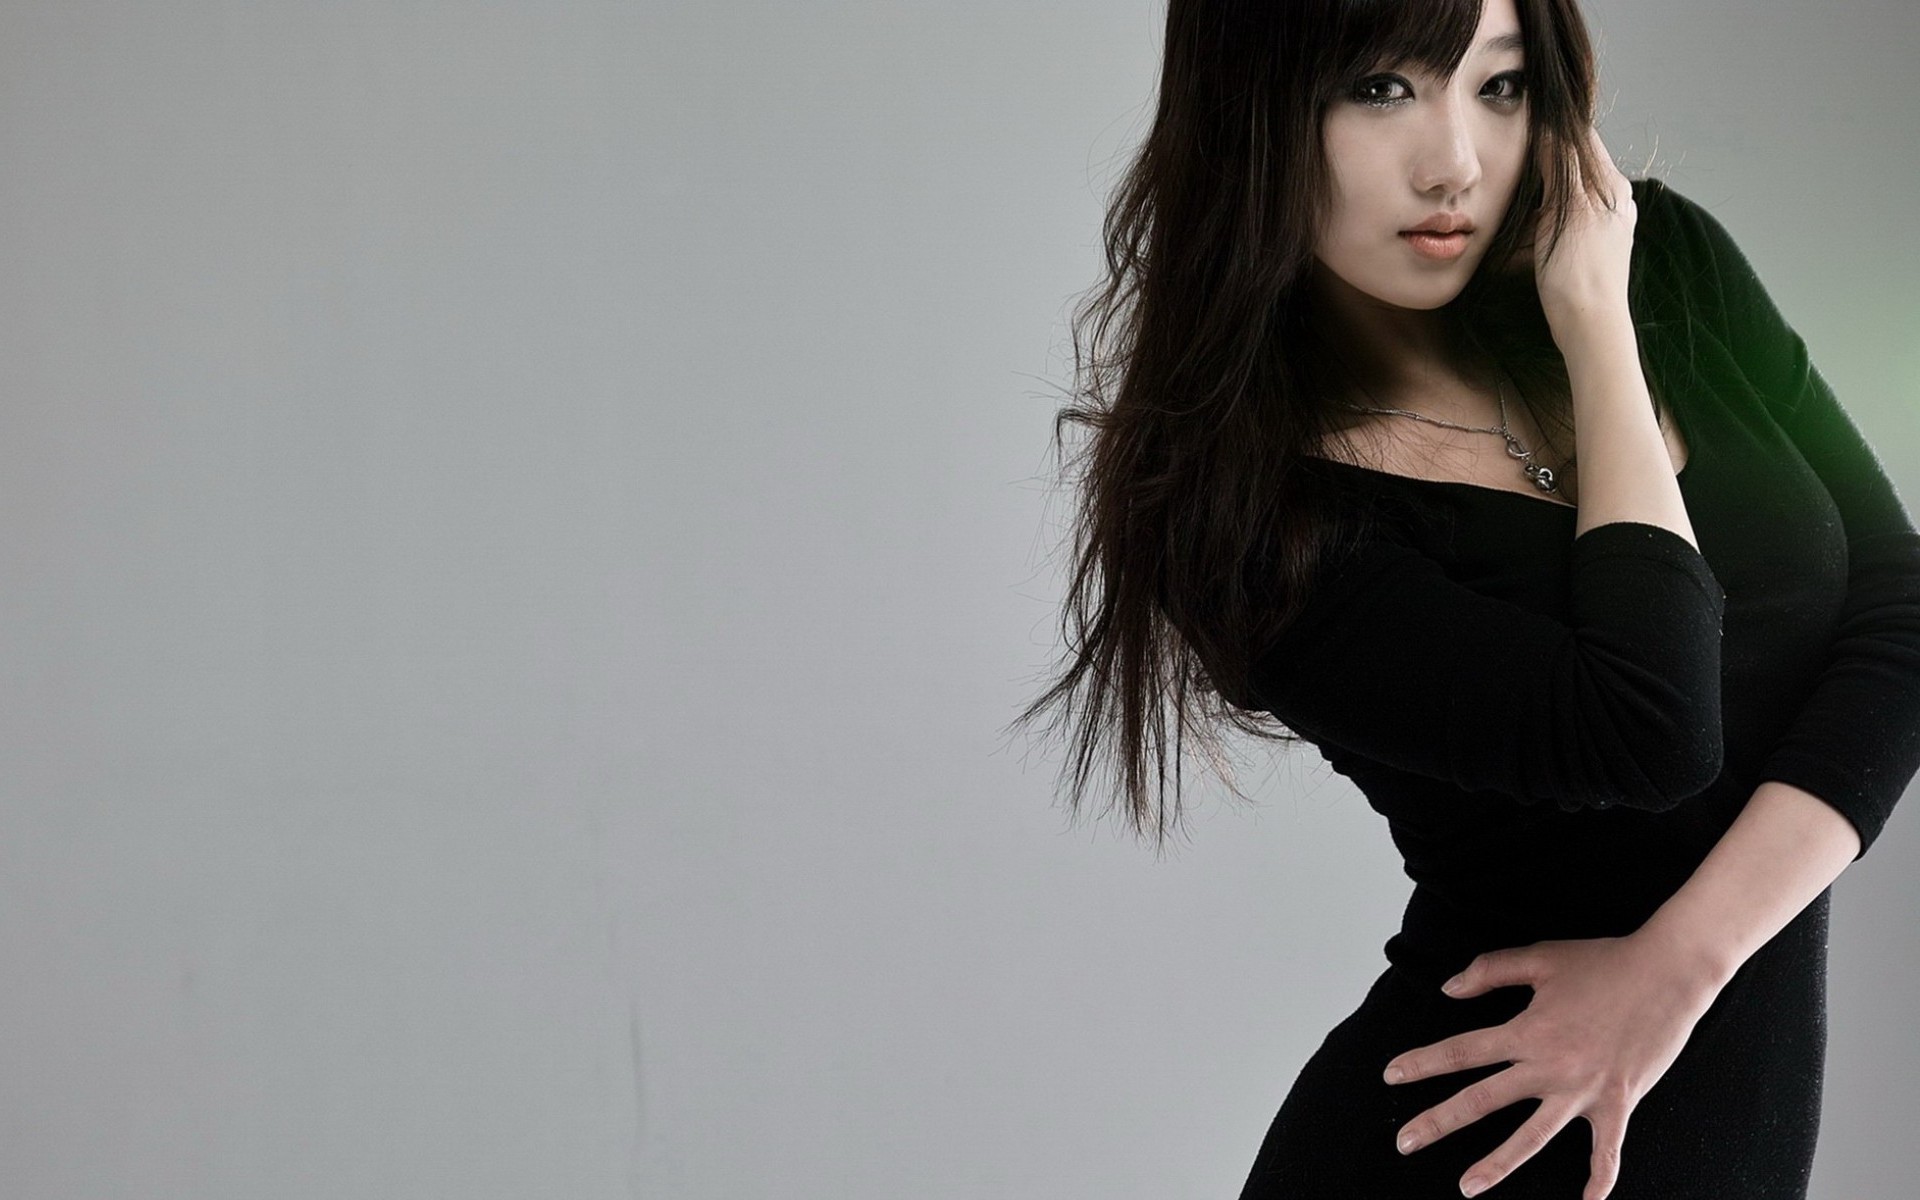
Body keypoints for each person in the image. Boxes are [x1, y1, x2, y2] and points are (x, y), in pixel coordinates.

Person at [1006, 0, 1920, 1196]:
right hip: (1459, 1149)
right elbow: (1651, 730)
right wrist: (1598, 337)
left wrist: (1679, 968)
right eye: (1380, 89)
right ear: (1253, 114)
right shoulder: (1242, 519)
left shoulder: (1666, 262)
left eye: (1499, 87)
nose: (1455, 165)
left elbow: (1903, 613)